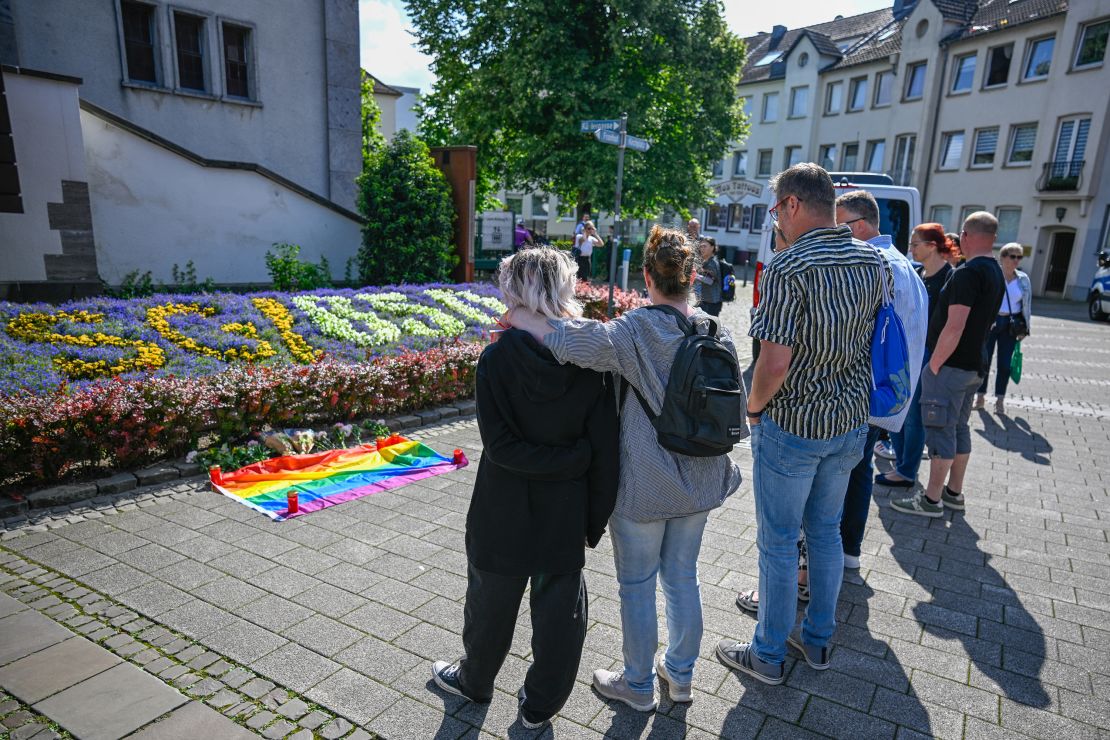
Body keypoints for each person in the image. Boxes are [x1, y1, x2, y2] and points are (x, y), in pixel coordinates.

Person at [509, 225, 745, 711]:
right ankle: (680, 677)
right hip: (701, 478)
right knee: (684, 578)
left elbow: (570, 342)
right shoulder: (715, 329)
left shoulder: (636, 330)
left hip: (645, 482)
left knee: (637, 585)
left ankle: (637, 685)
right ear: (693, 276)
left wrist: (521, 315)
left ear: (645, 276)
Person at [432, 248, 619, 731]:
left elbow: (499, 448)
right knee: (561, 616)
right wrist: (592, 518)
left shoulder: (496, 359)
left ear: (515, 290)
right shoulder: (590, 360)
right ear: (562, 289)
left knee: (489, 605)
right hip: (565, 510)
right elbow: (604, 454)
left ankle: (474, 681)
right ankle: (539, 706)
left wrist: (572, 464)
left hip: (502, 508)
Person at [717, 164, 884, 684]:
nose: (775, 223)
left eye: (774, 211)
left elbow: (772, 364)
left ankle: (766, 654)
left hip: (793, 426)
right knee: (826, 535)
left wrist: (751, 410)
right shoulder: (871, 260)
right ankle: (816, 640)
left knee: (779, 542)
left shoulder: (791, 267)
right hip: (849, 422)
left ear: (791, 204)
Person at [891, 212, 1005, 518]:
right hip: (974, 365)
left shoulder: (968, 273)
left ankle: (931, 500)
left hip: (951, 366)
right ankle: (953, 493)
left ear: (966, 235)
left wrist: (934, 366)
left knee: (940, 431)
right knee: (959, 428)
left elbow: (954, 325)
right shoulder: (995, 271)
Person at [876, 224, 955, 489]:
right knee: (899, 408)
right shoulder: (918, 272)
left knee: (913, 416)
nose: (911, 249)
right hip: (909, 351)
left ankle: (907, 470)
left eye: (915, 244)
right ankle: (901, 462)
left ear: (932, 246)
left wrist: (935, 363)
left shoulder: (949, 277)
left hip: (929, 355)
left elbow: (953, 324)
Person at [972, 242, 1031, 414]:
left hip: (1011, 325)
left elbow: (1027, 304)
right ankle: (980, 397)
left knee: (1005, 365)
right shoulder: (994, 275)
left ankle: (999, 400)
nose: (1016, 260)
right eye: (1013, 256)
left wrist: (1026, 328)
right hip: (991, 321)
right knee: (984, 361)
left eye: (1019, 257)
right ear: (1003, 257)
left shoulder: (1023, 279)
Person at [695, 237, 723, 316]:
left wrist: (695, 276)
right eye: (701, 246)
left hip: (712, 303)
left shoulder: (712, 263)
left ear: (712, 248)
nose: (702, 249)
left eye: (704, 246)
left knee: (710, 327)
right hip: (706, 300)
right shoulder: (706, 261)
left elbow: (710, 281)